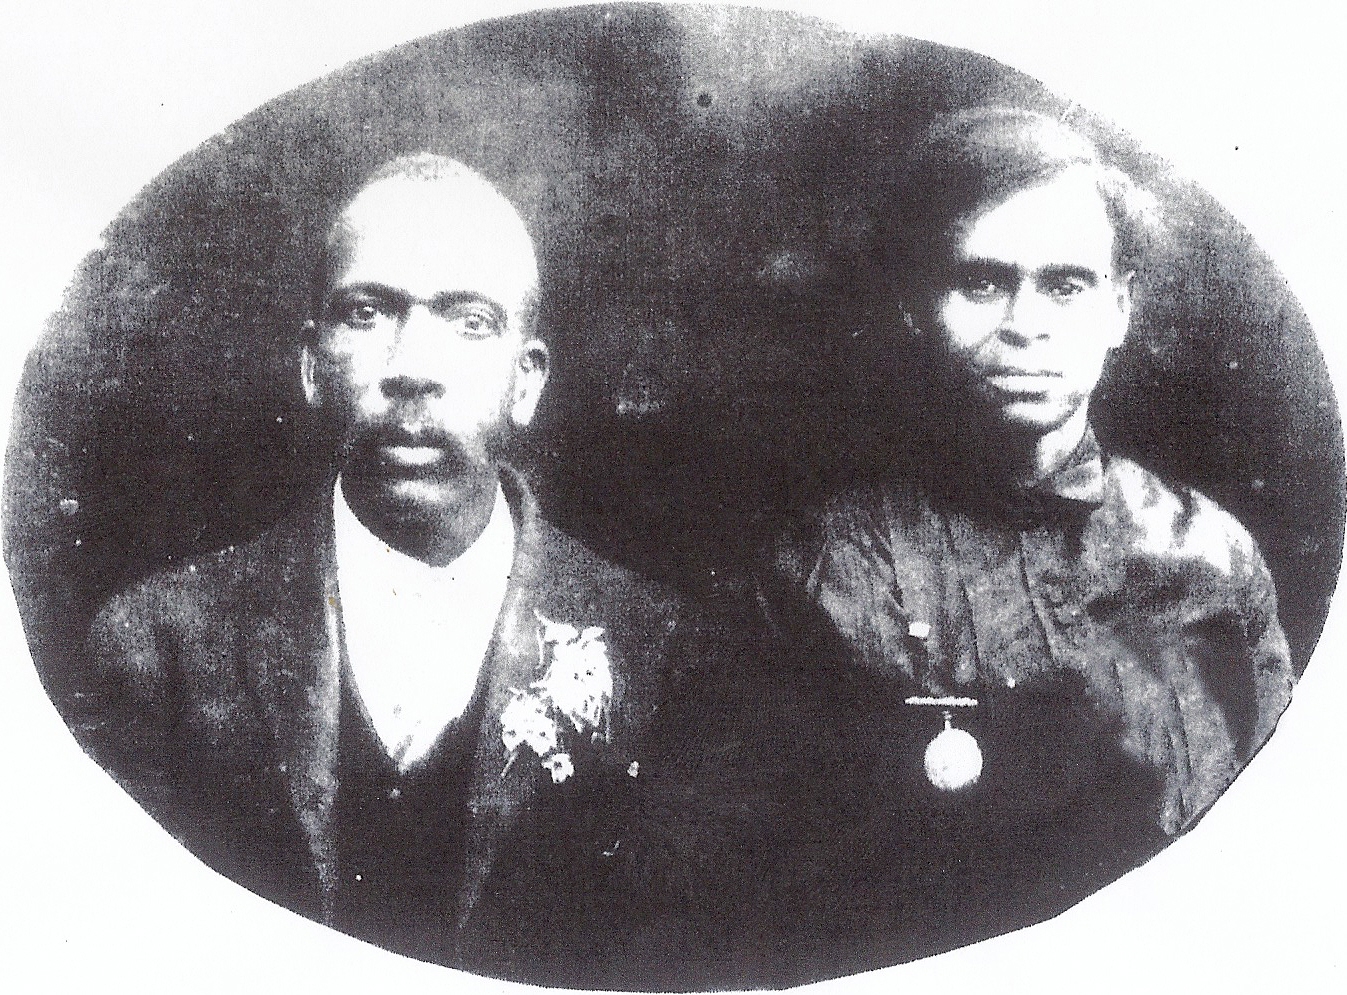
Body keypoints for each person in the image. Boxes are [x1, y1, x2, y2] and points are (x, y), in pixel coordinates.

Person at [75, 153, 766, 989]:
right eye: (367, 313)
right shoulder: (156, 645)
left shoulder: (664, 652)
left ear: (526, 381)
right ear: (311, 364)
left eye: (469, 321)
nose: (413, 367)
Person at [764, 107, 1296, 972]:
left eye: (1066, 285)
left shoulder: (1211, 557)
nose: (1024, 324)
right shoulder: (832, 567)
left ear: (1119, 309)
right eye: (980, 282)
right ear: (915, 308)